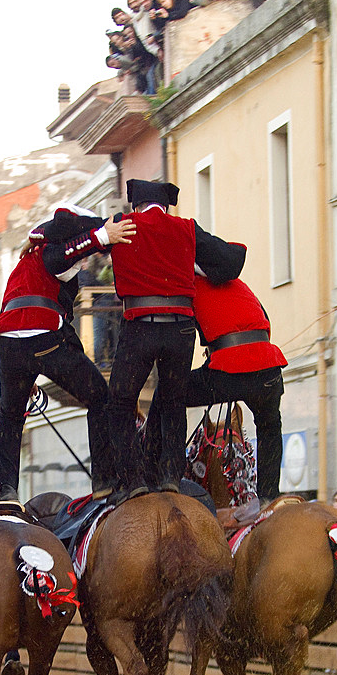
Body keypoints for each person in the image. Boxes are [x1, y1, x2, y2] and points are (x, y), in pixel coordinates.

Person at [0, 206, 137, 506]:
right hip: (43, 336)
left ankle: (5, 490)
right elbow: (64, 255)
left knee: (10, 417)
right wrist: (100, 235)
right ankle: (104, 481)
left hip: (8, 344)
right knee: (99, 397)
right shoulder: (52, 253)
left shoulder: (30, 255)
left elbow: (55, 241)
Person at [107, 178, 246, 498]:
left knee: (120, 401)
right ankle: (170, 474)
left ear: (135, 205)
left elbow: (78, 234)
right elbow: (229, 260)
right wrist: (196, 268)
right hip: (180, 328)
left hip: (139, 324)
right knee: (173, 401)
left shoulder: (120, 227)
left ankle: (134, 479)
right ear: (167, 206)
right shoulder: (186, 228)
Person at [145, 272, 286, 503]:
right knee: (270, 426)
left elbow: (179, 337)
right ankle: (268, 498)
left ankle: (156, 473)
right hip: (268, 368)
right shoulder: (239, 283)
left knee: (167, 393)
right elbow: (264, 321)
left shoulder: (186, 282)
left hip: (228, 369)